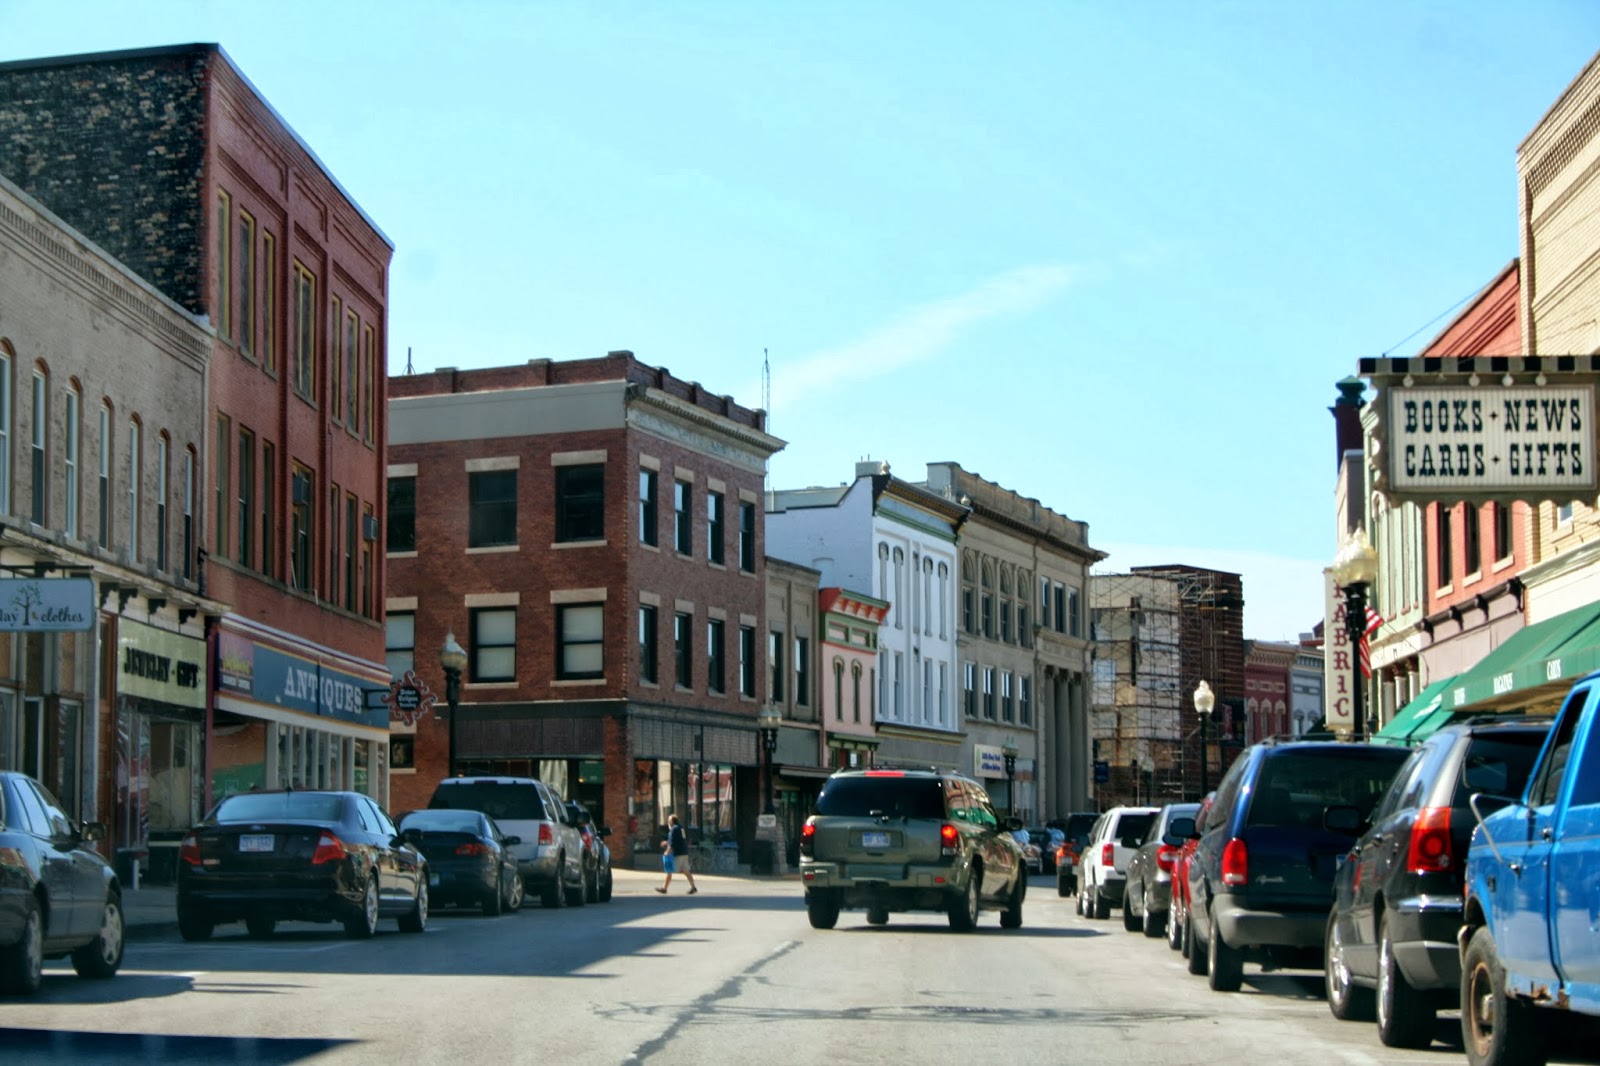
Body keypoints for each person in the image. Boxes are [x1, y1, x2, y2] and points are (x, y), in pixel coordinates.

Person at [654, 813, 698, 894]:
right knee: (686, 870)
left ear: (672, 821)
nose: (668, 823)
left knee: (669, 870)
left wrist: (667, 851)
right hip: (684, 852)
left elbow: (673, 842)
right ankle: (693, 887)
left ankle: (664, 888)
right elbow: (680, 839)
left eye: (668, 821)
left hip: (678, 853)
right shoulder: (681, 828)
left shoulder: (673, 829)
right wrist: (667, 842)